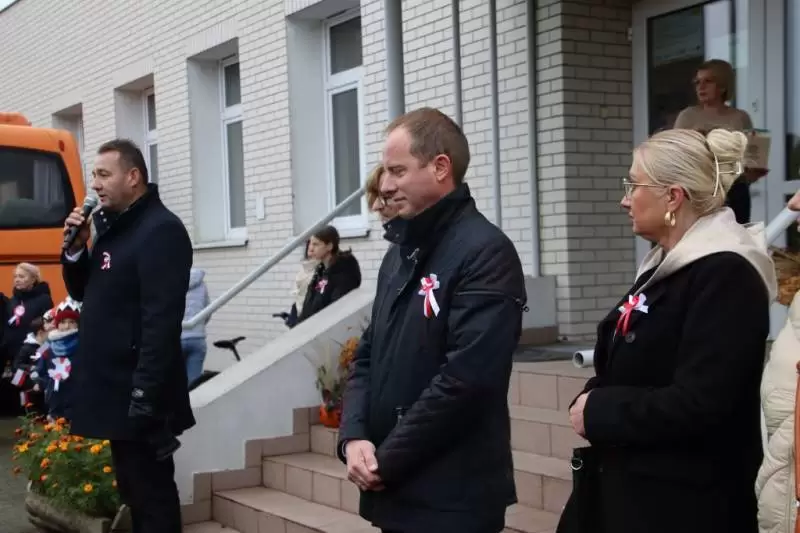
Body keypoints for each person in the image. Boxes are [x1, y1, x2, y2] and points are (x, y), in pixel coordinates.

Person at [558, 128, 776, 533]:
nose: (624, 200)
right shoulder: (666, 266)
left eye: (633, 185)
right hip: (635, 493)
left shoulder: (727, 275)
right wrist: (592, 398)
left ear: (673, 196)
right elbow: (634, 364)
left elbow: (702, 402)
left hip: (685, 506)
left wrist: (599, 410)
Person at [337, 107, 527, 533]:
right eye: (386, 171)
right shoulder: (400, 252)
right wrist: (354, 436)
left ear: (440, 167)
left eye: (398, 171)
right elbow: (367, 354)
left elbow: (467, 380)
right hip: (396, 490)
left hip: (452, 499)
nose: (385, 185)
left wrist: (386, 460)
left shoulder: (485, 252)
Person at [61, 138, 194, 533]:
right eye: (94, 175)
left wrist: (145, 393)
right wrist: (76, 250)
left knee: (152, 496)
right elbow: (83, 292)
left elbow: (160, 322)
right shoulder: (113, 227)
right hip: (114, 391)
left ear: (133, 177)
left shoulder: (160, 231)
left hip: (138, 393)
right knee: (134, 492)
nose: (95, 185)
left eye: (104, 175)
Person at [673, 59, 765, 223]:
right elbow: (674, 156)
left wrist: (753, 169)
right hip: (699, 189)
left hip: (734, 190)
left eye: (708, 81)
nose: (701, 87)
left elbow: (754, 161)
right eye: (697, 82)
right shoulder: (687, 117)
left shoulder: (740, 117)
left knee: (735, 234)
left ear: (723, 86)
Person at [0, 262, 53, 414]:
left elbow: (47, 325)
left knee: (32, 388)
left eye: (22, 276)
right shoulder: (13, 301)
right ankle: (22, 414)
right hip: (14, 354)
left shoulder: (43, 299)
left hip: (33, 352)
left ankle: (36, 414)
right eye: (15, 276)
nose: (17, 279)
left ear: (33, 279)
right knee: (17, 386)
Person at [296, 225, 361, 324]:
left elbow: (336, 310)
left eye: (316, 244)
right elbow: (309, 307)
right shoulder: (321, 269)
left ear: (329, 246)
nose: (310, 248)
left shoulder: (343, 271)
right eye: (310, 243)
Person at [182, 267, 210, 385]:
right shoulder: (202, 284)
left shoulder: (169, 281)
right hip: (198, 339)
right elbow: (208, 311)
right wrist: (199, 327)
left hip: (175, 340)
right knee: (193, 385)